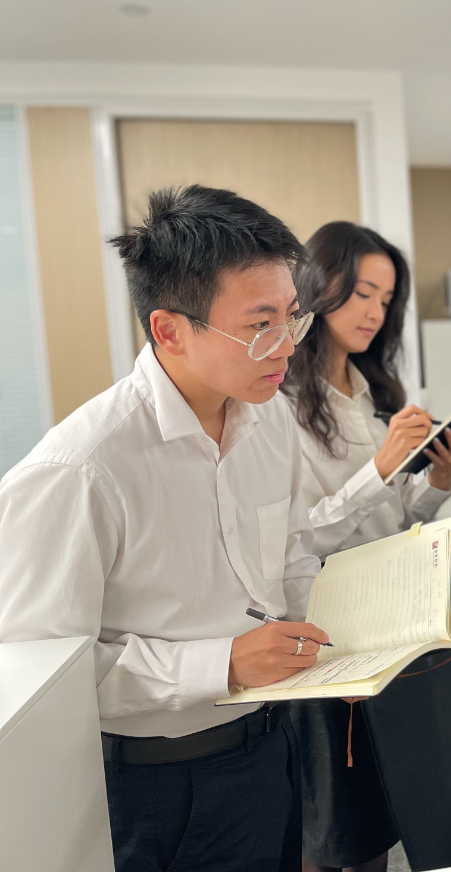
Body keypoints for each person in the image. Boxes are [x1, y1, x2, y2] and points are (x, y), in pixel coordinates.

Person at [0, 185, 328, 872]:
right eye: (259, 325)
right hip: (157, 782)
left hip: (272, 744)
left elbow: (290, 558)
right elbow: (41, 680)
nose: (285, 349)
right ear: (170, 330)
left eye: (291, 319)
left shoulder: (270, 420)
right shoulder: (80, 469)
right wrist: (222, 664)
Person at [280, 221, 451, 872]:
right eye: (363, 293)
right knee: (332, 828)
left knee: (383, 818)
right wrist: (381, 467)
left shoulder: (374, 395)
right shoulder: (280, 405)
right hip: (325, 629)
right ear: (321, 287)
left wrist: (434, 482)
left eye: (387, 299)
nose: (375, 312)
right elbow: (299, 540)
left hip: (389, 621)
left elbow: (392, 523)